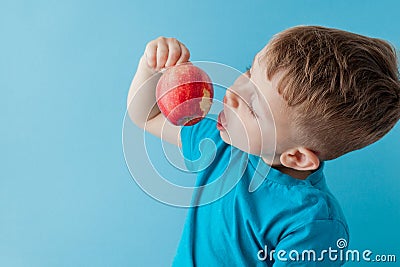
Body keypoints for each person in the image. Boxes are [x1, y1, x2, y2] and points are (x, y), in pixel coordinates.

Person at [127, 26, 400, 266]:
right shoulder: (225, 143)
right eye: (249, 72)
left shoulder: (313, 225)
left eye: (254, 107)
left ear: (297, 157)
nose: (233, 93)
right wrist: (152, 69)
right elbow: (147, 116)